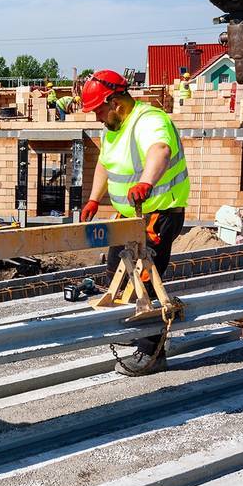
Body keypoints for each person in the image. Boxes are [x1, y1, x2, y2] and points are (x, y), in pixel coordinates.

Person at [78, 70, 190, 377]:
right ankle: (138, 328)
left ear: (114, 103)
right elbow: (105, 163)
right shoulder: (114, 128)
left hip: (157, 215)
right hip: (129, 217)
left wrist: (146, 183)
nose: (97, 117)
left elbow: (160, 150)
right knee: (116, 271)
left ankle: (151, 351)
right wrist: (93, 198)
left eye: (99, 110)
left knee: (145, 280)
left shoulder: (149, 121)